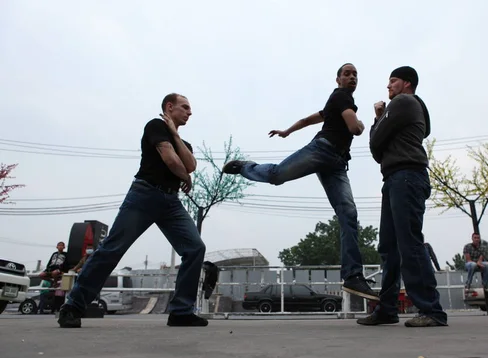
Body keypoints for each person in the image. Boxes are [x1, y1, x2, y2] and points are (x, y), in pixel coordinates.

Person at [221, 63, 377, 301]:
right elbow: (355, 128)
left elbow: (307, 120)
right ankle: (244, 167)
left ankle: (353, 276)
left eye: (355, 74)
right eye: (347, 74)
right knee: (276, 176)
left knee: (348, 214)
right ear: (338, 80)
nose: (352, 77)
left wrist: (287, 131)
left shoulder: (334, 103)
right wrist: (362, 124)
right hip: (322, 151)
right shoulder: (341, 96)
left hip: (336, 164)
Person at [58, 93, 208, 328]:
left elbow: (189, 165)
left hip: (171, 202)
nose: (190, 112)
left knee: (195, 248)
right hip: (144, 195)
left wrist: (177, 137)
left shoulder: (182, 142)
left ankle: (181, 311)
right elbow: (171, 161)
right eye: (185, 107)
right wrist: (185, 175)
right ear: (169, 107)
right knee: (112, 249)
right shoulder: (155, 125)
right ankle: (73, 306)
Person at [357, 66, 447, 327]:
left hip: (406, 176)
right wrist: (380, 125)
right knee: (389, 247)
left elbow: (375, 144)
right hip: (395, 178)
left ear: (407, 83)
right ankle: (387, 310)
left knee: (409, 243)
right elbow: (378, 153)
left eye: (393, 81)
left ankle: (431, 310)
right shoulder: (402, 109)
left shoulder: (404, 102)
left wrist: (378, 117)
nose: (388, 87)